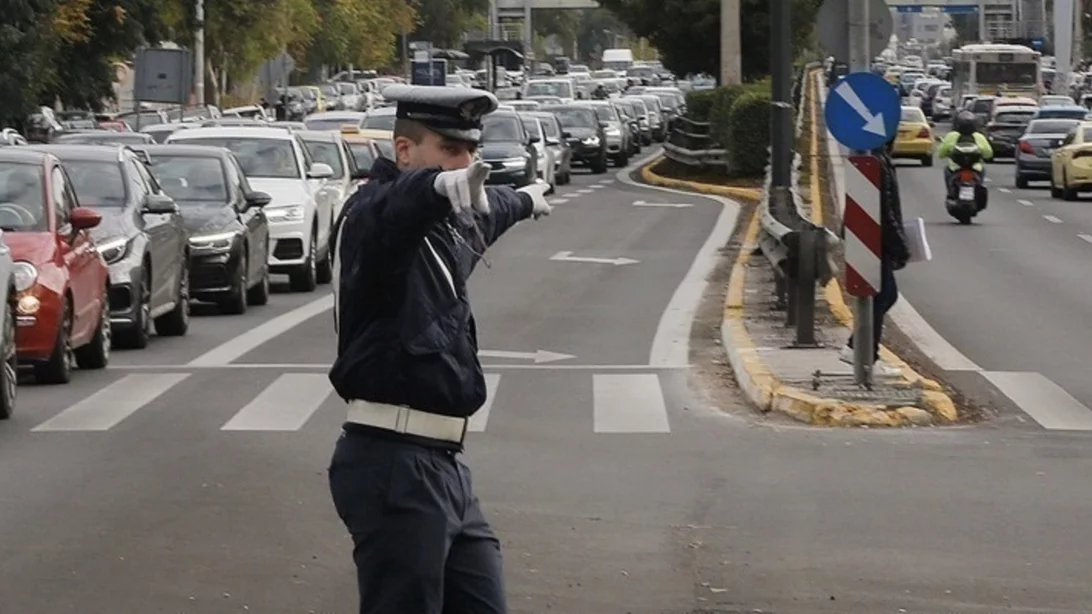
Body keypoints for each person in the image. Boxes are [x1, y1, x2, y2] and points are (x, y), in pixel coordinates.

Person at [326, 84, 552, 614]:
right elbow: (396, 205)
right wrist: (434, 188)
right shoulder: (373, 219)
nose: (467, 162)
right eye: (451, 150)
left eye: (471, 150)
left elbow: (487, 209)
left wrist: (522, 200)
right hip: (391, 460)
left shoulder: (448, 226)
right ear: (404, 151)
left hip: (443, 464)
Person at [839, 135, 910, 378]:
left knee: (882, 296)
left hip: (869, 238)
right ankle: (864, 354)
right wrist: (900, 246)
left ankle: (858, 349)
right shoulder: (877, 163)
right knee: (883, 296)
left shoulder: (875, 160)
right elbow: (885, 211)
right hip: (873, 240)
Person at [937, 110, 993, 208]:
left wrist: (945, 154)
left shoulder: (952, 136)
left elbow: (941, 152)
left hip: (955, 168)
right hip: (975, 168)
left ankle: (951, 193)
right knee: (982, 171)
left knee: (947, 171)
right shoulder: (978, 136)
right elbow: (988, 153)